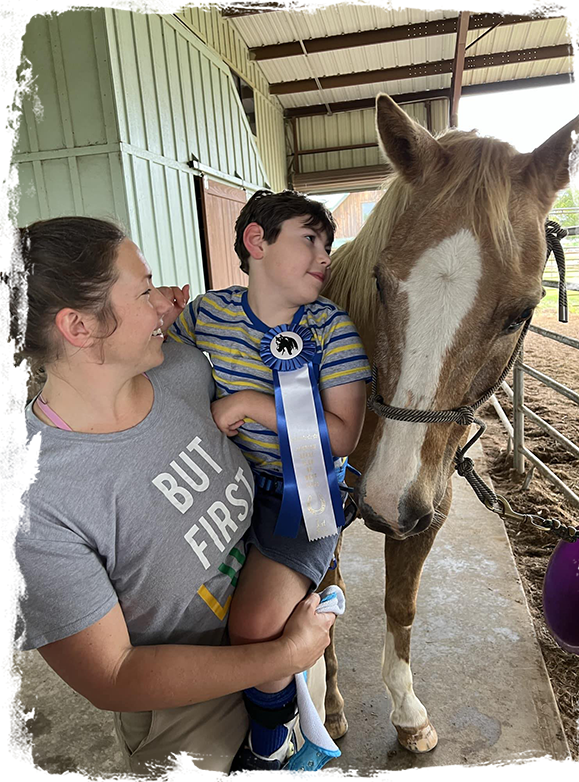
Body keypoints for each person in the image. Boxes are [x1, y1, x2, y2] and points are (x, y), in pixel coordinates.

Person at [0, 217, 337, 782]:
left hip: (285, 644)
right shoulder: (29, 498)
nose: (165, 301)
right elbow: (111, 675)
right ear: (79, 326)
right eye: (144, 288)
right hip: (190, 720)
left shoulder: (185, 370)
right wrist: (280, 656)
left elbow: (301, 451)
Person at [163, 190, 370, 781]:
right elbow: (155, 368)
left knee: (252, 626)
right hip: (219, 484)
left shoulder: (331, 328)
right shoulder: (205, 315)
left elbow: (344, 433)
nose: (324, 256)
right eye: (310, 239)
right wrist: (154, 319)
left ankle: (269, 743)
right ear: (257, 242)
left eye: (327, 245)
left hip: (300, 494)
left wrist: (255, 402)